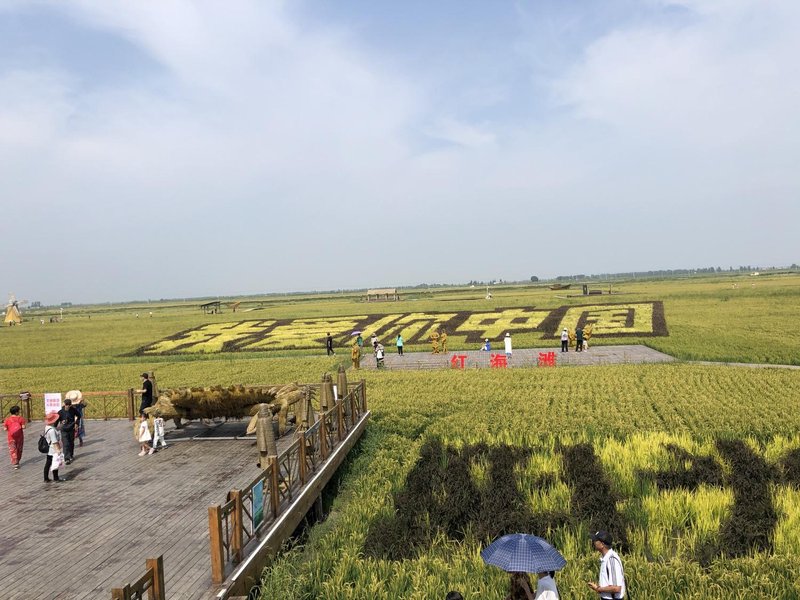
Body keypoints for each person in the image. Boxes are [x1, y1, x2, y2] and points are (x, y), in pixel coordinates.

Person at [587, 530, 626, 599]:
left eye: (596, 540)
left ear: (602, 544)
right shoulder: (606, 558)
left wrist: (598, 589)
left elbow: (616, 588)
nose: (594, 542)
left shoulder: (611, 559)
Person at [56, 398, 81, 464]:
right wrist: (55, 427)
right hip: (64, 429)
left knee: (71, 442)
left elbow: (79, 416)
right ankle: (66, 458)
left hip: (71, 429)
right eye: (66, 405)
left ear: (70, 405)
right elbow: (56, 421)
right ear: (64, 404)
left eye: (69, 405)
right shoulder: (60, 412)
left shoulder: (73, 410)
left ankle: (71, 455)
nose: (67, 406)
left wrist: (76, 423)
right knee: (66, 443)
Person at [43, 412, 63, 482]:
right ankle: (56, 478)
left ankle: (46, 478)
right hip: (53, 449)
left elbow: (55, 429)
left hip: (50, 449)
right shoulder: (51, 430)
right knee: (55, 463)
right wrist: (58, 450)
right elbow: (54, 441)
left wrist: (60, 427)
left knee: (48, 463)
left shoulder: (47, 427)